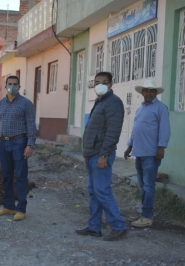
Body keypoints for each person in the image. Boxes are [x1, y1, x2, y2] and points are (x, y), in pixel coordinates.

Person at [75, 71, 127, 241]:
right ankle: (94, 227)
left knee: (102, 191)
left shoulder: (113, 102)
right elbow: (93, 129)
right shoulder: (100, 102)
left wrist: (103, 155)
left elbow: (113, 132)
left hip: (100, 154)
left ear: (111, 84)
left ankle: (118, 226)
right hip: (92, 154)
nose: (100, 85)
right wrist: (86, 154)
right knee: (93, 191)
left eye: (104, 82)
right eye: (97, 82)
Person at [0, 75, 37, 221]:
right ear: (5, 86)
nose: (12, 86)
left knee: (21, 176)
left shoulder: (26, 104)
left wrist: (30, 145)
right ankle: (8, 206)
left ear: (19, 87)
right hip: (3, 143)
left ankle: (21, 209)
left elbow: (31, 125)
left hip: (19, 143)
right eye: (10, 84)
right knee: (6, 176)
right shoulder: (0, 104)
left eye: (15, 84)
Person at [124, 79, 170, 228]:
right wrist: (129, 146)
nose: (148, 93)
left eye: (151, 91)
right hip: (139, 151)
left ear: (155, 93)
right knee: (142, 185)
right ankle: (144, 213)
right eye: (146, 90)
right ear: (142, 92)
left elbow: (164, 129)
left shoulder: (161, 108)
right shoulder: (140, 108)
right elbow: (136, 129)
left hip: (151, 153)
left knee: (148, 186)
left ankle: (147, 217)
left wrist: (161, 147)